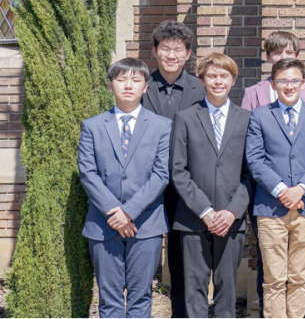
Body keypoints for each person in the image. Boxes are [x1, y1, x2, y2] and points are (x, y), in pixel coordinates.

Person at [80, 58, 173, 318]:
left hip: (146, 224)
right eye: (121, 80)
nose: (128, 86)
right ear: (110, 86)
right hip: (103, 224)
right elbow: (88, 174)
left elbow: (161, 174)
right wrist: (114, 212)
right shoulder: (92, 126)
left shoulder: (161, 126)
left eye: (135, 80)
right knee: (108, 299)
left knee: (141, 296)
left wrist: (129, 212)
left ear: (145, 87)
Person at [171, 53, 253, 318]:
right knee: (193, 286)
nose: (218, 81)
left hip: (232, 218)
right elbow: (178, 171)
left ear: (233, 80)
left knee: (226, 286)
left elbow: (251, 173)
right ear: (203, 80)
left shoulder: (247, 119)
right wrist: (205, 211)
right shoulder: (185, 118)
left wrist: (232, 211)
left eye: (224, 76)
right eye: (212, 76)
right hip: (193, 218)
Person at [245, 58, 305, 318]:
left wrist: (300, 189)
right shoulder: (259, 115)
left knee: (301, 277)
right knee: (274, 279)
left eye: (294, 81)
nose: (288, 86)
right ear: (273, 84)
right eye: (282, 81)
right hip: (270, 207)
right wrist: (283, 190)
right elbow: (255, 161)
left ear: (304, 83)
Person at [140, 20, 205, 316]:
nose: (171, 54)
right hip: (148, 184)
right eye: (165, 48)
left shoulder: (200, 89)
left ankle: (181, 313)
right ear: (154, 51)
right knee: (145, 253)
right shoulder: (141, 86)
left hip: (186, 186)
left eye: (177, 49)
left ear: (187, 54)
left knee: (183, 259)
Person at [242, 31, 305, 109]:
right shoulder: (252, 93)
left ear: (297, 56)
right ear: (268, 57)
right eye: (277, 52)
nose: (284, 57)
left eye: (289, 52)